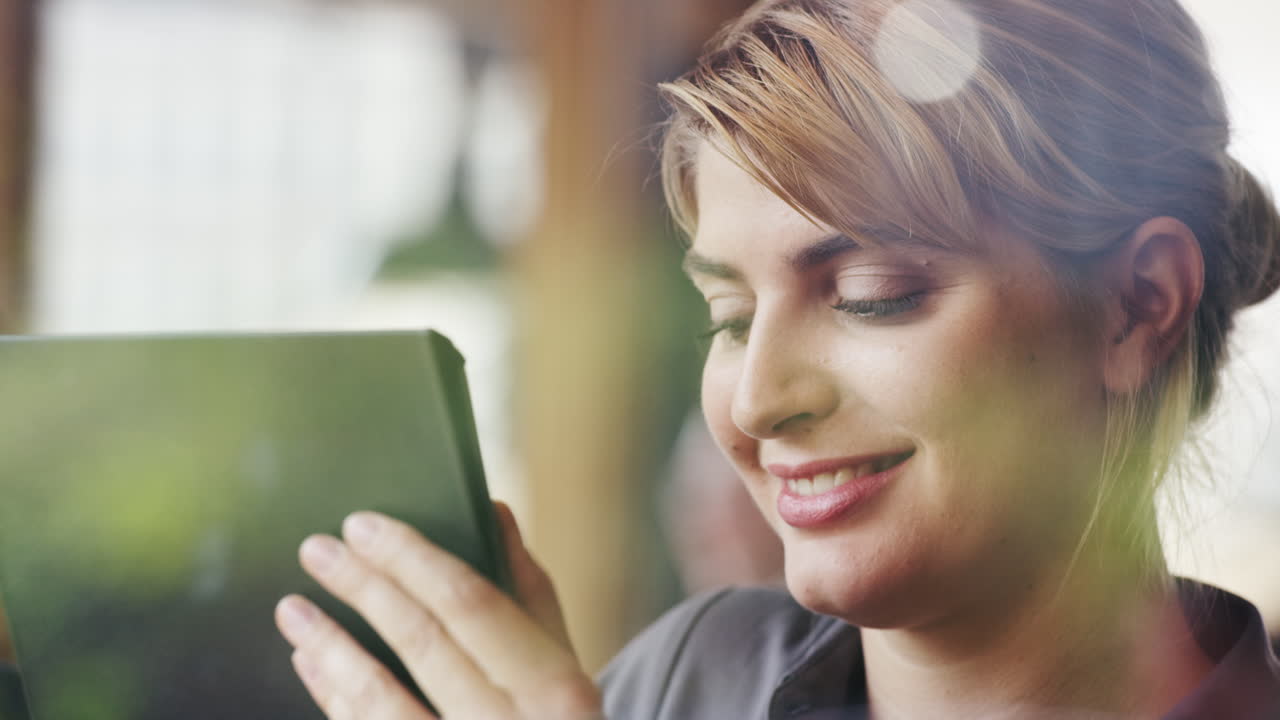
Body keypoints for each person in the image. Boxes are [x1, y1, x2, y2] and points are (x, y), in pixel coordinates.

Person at [271, 0, 1280, 717]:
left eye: (870, 296)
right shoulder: (686, 682)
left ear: (1138, 305)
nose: (757, 402)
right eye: (729, 316)